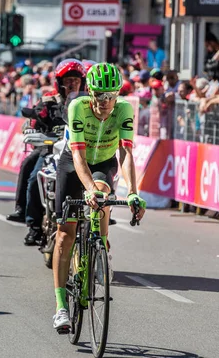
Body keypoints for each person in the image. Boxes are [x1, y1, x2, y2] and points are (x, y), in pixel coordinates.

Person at [51, 63, 147, 332]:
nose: (106, 103)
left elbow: (126, 153)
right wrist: (89, 188)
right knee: (64, 234)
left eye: (111, 96)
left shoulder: (124, 109)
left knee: (103, 195)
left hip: (104, 162)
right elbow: (79, 157)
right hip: (73, 164)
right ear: (89, 92)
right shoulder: (77, 108)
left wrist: (132, 192)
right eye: (100, 96)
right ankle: (60, 307)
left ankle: (100, 248)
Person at [6, 59, 87, 246]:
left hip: (78, 149)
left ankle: (99, 216)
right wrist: (31, 129)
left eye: (75, 79)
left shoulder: (88, 103)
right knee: (33, 174)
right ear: (59, 82)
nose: (72, 83)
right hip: (50, 148)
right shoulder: (48, 100)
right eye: (68, 80)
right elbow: (32, 121)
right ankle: (32, 224)